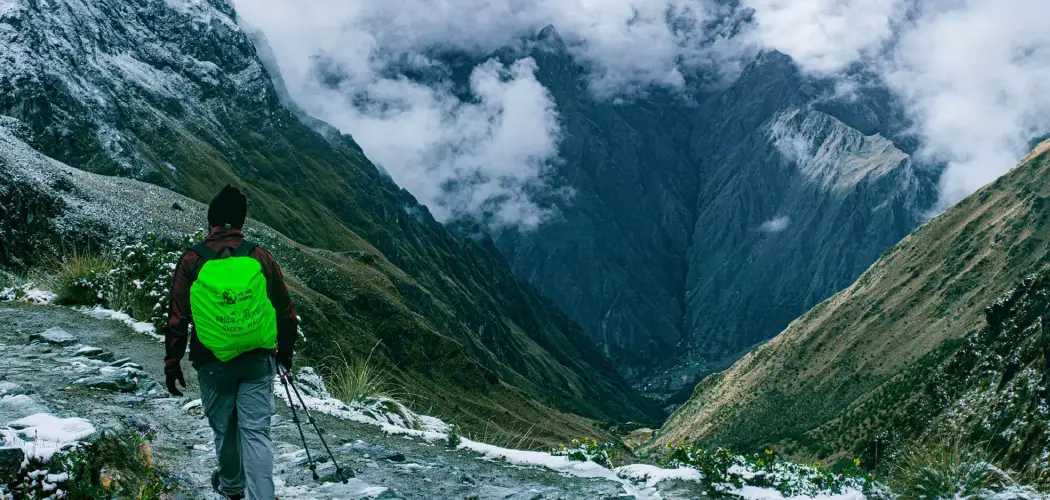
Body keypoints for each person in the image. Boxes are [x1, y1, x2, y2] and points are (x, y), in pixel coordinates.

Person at [164, 184, 298, 500]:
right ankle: (262, 496)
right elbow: (286, 313)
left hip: (212, 361)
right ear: (241, 222)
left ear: (211, 221)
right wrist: (284, 356)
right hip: (257, 359)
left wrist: (172, 362)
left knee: (225, 430)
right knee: (256, 433)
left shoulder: (193, 259)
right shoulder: (259, 256)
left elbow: (177, 317)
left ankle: (232, 488)